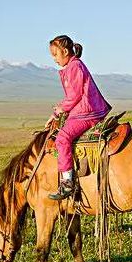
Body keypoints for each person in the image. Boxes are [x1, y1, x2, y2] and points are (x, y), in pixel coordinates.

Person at [45, 35, 111, 200]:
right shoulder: (73, 66)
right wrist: (56, 113)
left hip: (87, 112)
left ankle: (67, 182)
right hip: (83, 110)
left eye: (55, 55)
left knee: (62, 138)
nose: (54, 59)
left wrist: (60, 110)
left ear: (65, 51)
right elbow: (71, 96)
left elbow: (74, 95)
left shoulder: (74, 67)